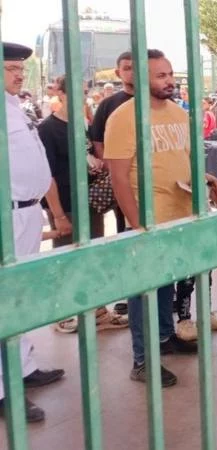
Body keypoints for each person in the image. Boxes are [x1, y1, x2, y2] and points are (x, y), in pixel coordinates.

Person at [104, 49, 201, 386]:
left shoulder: (179, 113)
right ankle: (142, 360)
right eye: (161, 76)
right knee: (144, 289)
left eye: (170, 73)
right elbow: (118, 177)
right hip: (147, 220)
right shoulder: (124, 118)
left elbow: (187, 160)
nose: (169, 81)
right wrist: (137, 225)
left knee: (166, 283)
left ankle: (164, 337)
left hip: (178, 217)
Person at [0, 41, 67, 423]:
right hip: (6, 214)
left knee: (20, 296)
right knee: (4, 300)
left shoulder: (13, 106)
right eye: (11, 69)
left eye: (20, 68)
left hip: (27, 213)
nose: (19, 74)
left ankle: (23, 367)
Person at [37, 74, 128, 333]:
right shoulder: (48, 128)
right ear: (61, 93)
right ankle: (63, 313)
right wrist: (58, 214)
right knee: (67, 259)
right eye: (76, 91)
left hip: (88, 200)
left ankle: (97, 311)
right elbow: (47, 175)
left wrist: (94, 165)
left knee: (92, 256)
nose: (82, 97)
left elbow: (85, 156)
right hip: (66, 203)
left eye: (84, 91)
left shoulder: (81, 124)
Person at [91, 51, 134, 236]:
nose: (133, 72)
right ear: (118, 73)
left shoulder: (158, 100)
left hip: (156, 178)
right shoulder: (108, 104)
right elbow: (97, 140)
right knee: (126, 228)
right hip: (122, 179)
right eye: (127, 68)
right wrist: (112, 168)